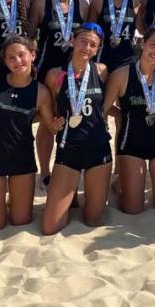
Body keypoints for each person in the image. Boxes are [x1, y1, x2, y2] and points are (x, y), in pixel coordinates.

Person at [0, 35, 56, 230]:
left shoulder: (42, 92)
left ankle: (3, 197)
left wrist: (62, 122)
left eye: (22, 55)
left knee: (21, 221)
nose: (17, 61)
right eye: (11, 57)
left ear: (33, 55)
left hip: (22, 157)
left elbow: (50, 125)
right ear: (4, 61)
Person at [42, 24, 112, 235]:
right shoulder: (55, 75)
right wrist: (50, 123)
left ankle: (83, 193)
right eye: (83, 41)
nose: (87, 48)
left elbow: (106, 104)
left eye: (93, 45)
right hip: (68, 148)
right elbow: (49, 107)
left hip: (98, 148)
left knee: (92, 220)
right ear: (73, 41)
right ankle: (68, 192)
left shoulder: (101, 70)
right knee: (50, 227)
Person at [102, 26, 155, 214]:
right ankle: (120, 181)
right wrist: (118, 114)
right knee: (132, 209)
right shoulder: (121, 75)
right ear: (142, 43)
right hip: (131, 143)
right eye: (153, 45)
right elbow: (102, 108)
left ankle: (128, 181)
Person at [28, 0, 87, 184]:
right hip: (46, 69)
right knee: (48, 120)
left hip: (74, 70)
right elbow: (30, 37)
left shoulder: (83, 5)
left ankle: (71, 166)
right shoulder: (42, 4)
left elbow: (88, 38)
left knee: (73, 117)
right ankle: (44, 171)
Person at [88, 0, 137, 74]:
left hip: (127, 57)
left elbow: (142, 29)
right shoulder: (98, 1)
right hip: (103, 57)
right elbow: (89, 32)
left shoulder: (136, 2)